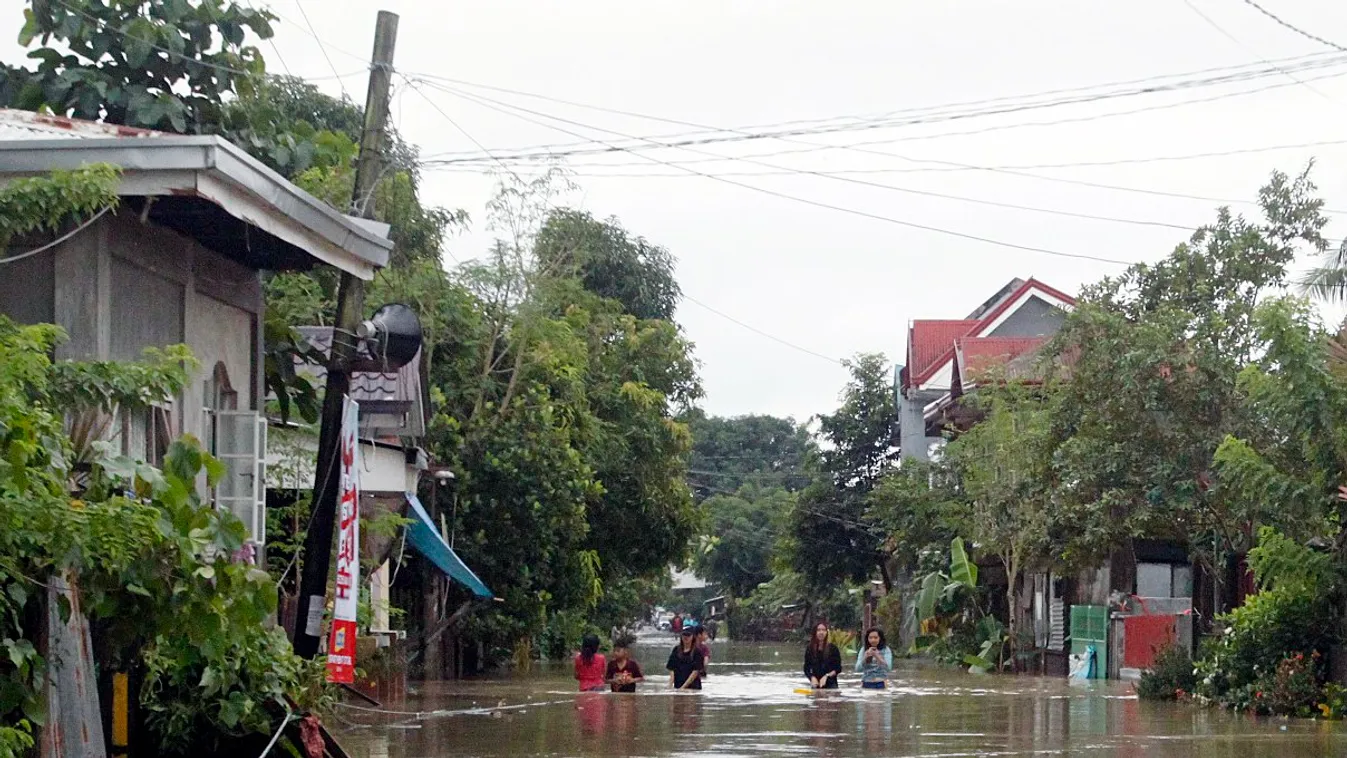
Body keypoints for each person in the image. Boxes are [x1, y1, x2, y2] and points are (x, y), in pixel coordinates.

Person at [803, 621, 842, 690]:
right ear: (815, 632)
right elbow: (806, 668)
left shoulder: (833, 648)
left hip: (831, 686)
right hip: (816, 685)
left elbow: (838, 668)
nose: (821, 632)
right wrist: (812, 677)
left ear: (826, 632)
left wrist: (827, 676)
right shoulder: (810, 649)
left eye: (823, 630)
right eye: (819, 630)